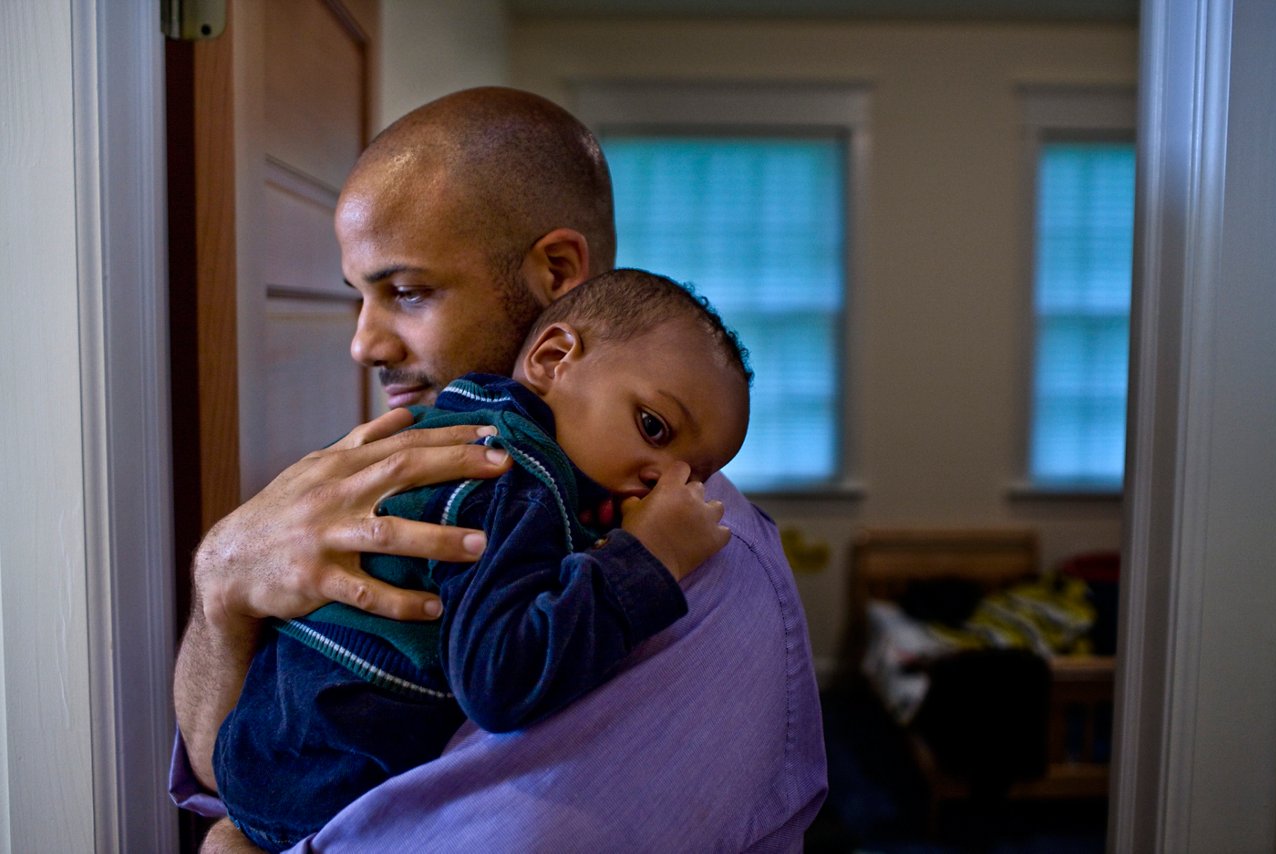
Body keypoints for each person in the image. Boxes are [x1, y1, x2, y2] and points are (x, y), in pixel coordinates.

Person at [172, 86, 827, 853]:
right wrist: (222, 584)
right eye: (361, 296)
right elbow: (220, 782)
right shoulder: (420, 468)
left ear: (556, 272)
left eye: (408, 292)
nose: (365, 345)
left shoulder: (693, 564)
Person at [214, 269, 753, 851]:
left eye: (693, 476)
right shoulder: (510, 480)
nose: (665, 483)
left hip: (264, 759)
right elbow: (501, 680)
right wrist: (650, 557)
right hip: (321, 789)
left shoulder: (470, 421)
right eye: (653, 427)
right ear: (552, 358)